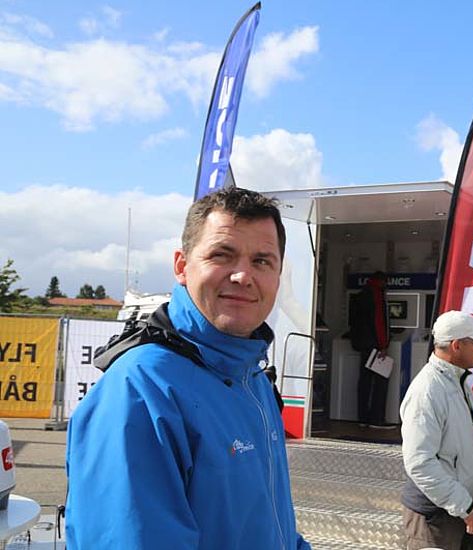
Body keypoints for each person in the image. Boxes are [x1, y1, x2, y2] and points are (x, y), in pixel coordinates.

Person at [65, 187, 311, 549]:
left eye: (262, 261)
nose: (243, 275)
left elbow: (270, 524)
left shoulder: (252, 376)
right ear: (182, 266)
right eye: (222, 255)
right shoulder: (140, 391)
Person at [400, 310, 473, 550]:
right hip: (436, 517)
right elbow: (419, 463)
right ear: (456, 345)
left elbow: (453, 437)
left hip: (452, 511)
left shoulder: (457, 382)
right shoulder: (428, 391)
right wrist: (466, 507)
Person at [349, 270, 391, 427]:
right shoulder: (376, 295)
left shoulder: (361, 294)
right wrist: (383, 345)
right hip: (375, 346)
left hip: (362, 344)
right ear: (382, 281)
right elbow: (379, 322)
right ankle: (376, 418)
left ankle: (363, 418)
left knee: (364, 382)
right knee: (381, 381)